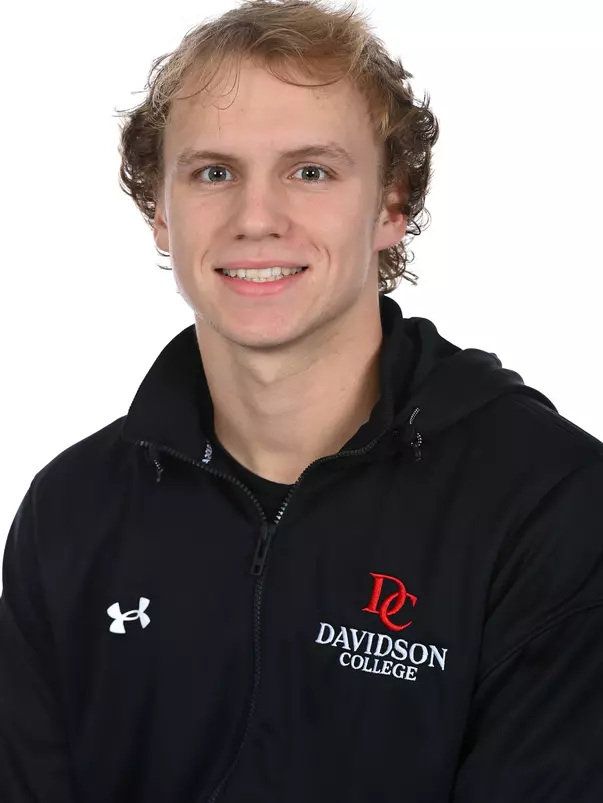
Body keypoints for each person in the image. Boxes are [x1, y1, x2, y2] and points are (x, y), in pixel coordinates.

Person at [1, 0, 602, 800]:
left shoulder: (551, 503)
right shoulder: (69, 511)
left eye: (310, 171)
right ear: (159, 211)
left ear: (391, 203)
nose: (256, 218)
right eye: (214, 172)